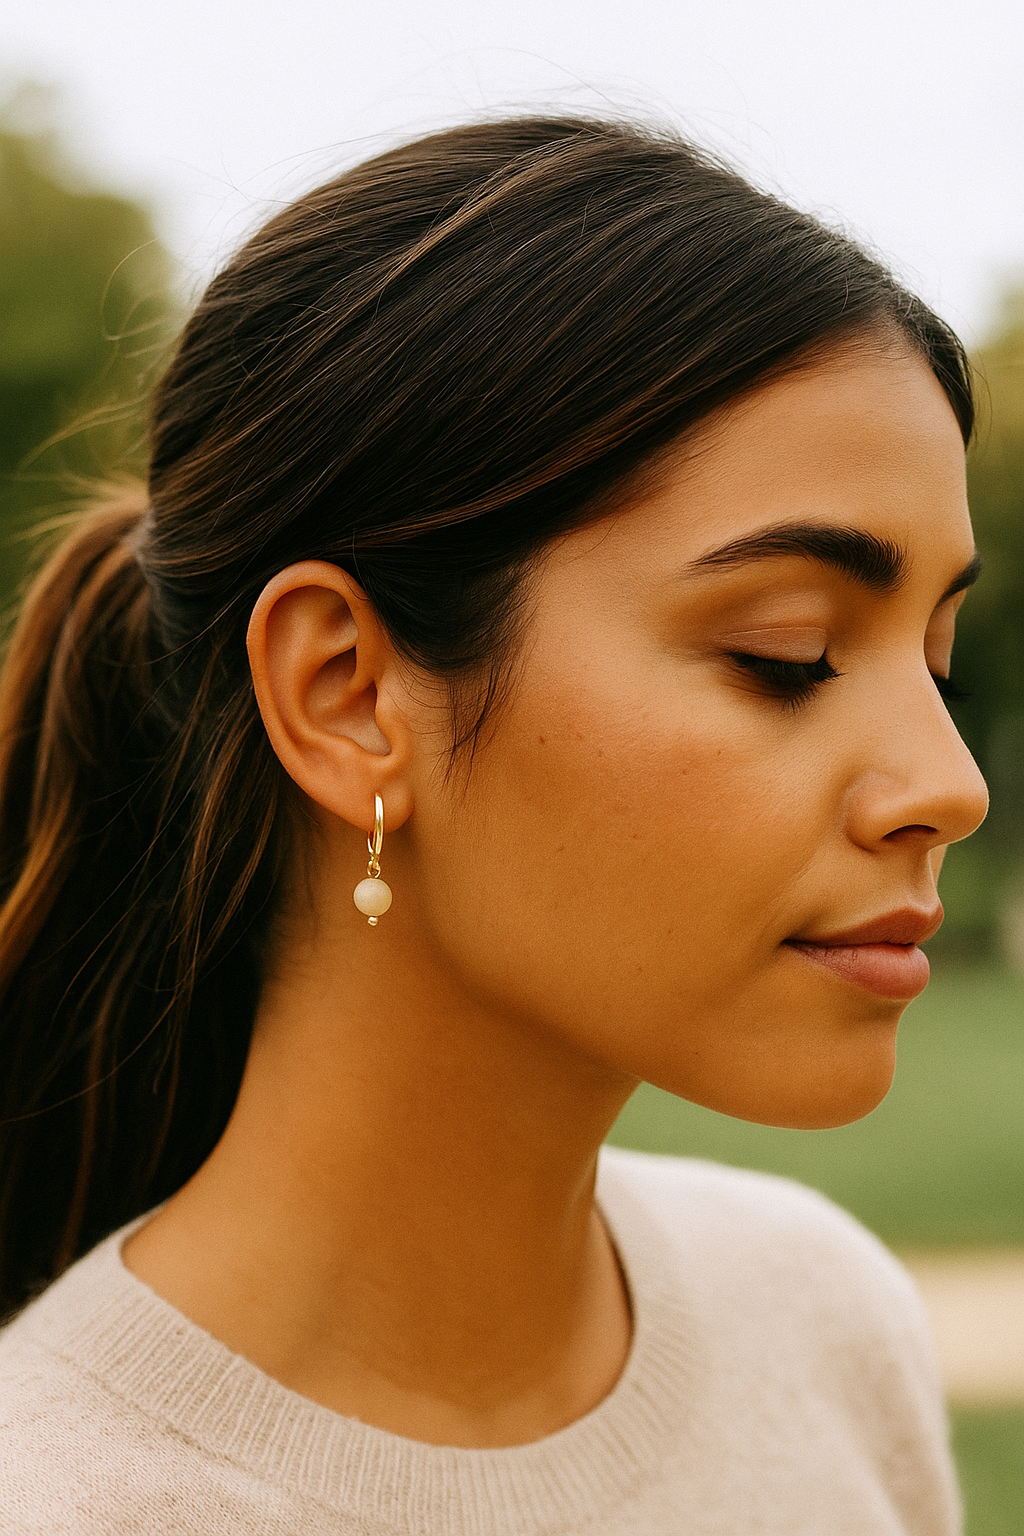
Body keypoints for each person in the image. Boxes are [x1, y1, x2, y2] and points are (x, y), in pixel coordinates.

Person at [0, 116, 987, 1534]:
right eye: (789, 653)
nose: (948, 784)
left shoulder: (823, 1325)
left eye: (935, 662)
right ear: (346, 696)